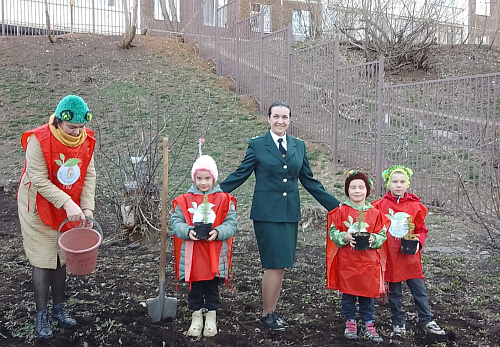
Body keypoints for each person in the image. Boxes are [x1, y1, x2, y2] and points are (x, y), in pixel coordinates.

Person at [219, 101, 340, 331]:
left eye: (285, 117)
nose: (280, 121)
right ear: (268, 119)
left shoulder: (299, 146)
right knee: (274, 264)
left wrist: (335, 206)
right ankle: (267, 314)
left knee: (282, 264)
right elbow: (240, 174)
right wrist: (213, 193)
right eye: (276, 116)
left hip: (289, 213)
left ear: (290, 120)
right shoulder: (257, 145)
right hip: (267, 213)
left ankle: (271, 312)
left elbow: (309, 180)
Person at [17, 95, 96, 339]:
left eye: (81, 127)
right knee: (43, 258)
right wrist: (67, 202)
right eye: (72, 127)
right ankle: (41, 314)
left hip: (67, 206)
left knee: (61, 256)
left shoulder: (86, 140)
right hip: (37, 205)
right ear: (59, 121)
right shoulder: (38, 139)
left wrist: (87, 208)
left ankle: (59, 309)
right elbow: (39, 179)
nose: (77, 132)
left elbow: (89, 175)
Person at [170, 143, 237, 338]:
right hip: (193, 254)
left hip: (215, 253)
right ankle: (196, 315)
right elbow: (176, 222)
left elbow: (231, 224)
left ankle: (211, 316)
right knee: (195, 287)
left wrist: (218, 232)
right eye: (199, 178)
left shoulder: (224, 200)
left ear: (214, 178)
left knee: (211, 286)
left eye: (207, 178)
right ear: (194, 178)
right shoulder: (185, 200)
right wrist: (188, 231)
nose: (203, 183)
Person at [372, 165, 445, 337]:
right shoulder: (379, 206)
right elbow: (373, 226)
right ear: (388, 184)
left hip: (410, 257)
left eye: (402, 182)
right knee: (394, 292)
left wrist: (418, 242)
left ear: (408, 184)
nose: (398, 185)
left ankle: (427, 319)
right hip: (391, 256)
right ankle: (398, 322)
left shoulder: (415, 206)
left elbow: (421, 229)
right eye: (394, 182)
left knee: (419, 290)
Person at [326, 171, 388, 343]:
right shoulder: (340, 212)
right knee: (348, 295)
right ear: (347, 190)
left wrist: (372, 239)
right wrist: (344, 237)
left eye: (361, 187)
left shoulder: (376, 214)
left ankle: (368, 324)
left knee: (367, 295)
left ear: (367, 191)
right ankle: (350, 322)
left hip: (368, 264)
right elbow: (333, 232)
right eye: (353, 187)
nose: (357, 191)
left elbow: (382, 234)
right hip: (348, 263)